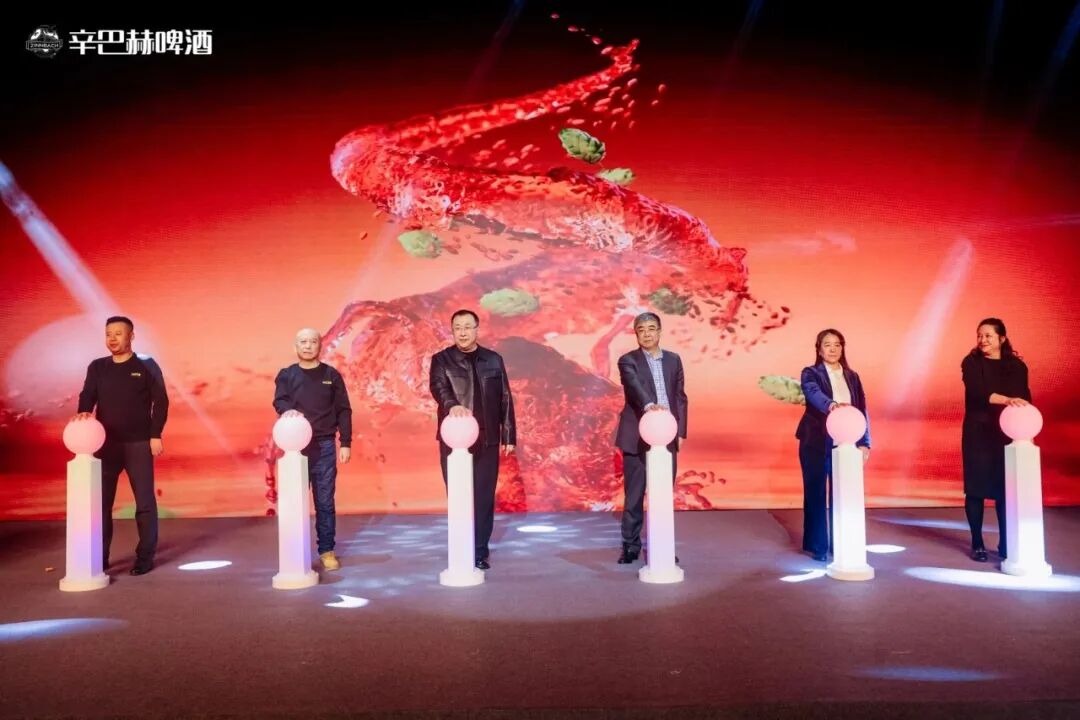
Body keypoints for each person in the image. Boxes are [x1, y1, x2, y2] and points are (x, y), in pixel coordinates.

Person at [74, 315, 169, 576]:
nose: (112, 338)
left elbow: (161, 401)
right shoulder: (97, 367)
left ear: (131, 336)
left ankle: (145, 557)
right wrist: (83, 412)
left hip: (139, 444)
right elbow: (87, 395)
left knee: (145, 503)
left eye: (118, 333)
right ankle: (100, 557)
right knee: (101, 504)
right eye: (108, 334)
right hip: (106, 445)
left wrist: (155, 435)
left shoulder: (146, 365)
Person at [429, 309, 516, 570]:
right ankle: (460, 549)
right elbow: (438, 387)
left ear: (477, 329)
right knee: (458, 497)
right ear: (452, 331)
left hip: (487, 440)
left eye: (468, 327)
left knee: (483, 497)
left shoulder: (493, 359)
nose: (463, 332)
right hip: (455, 441)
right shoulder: (442, 359)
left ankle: (479, 552)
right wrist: (452, 405)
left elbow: (505, 398)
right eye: (458, 327)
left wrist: (509, 434)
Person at [273, 328, 353, 570]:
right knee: (294, 503)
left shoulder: (331, 375)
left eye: (312, 342)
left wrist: (345, 442)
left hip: (325, 446)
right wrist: (287, 410)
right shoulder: (287, 375)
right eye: (303, 342)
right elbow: (280, 400)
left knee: (325, 502)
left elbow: (344, 410)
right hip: (295, 450)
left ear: (320, 345)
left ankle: (326, 550)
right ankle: (294, 552)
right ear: (295, 346)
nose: (307, 346)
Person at [613, 312, 688, 565]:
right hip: (637, 435)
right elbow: (634, 386)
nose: (647, 334)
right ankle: (630, 546)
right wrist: (649, 406)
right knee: (634, 495)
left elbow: (680, 397)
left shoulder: (674, 360)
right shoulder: (627, 360)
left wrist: (680, 431)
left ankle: (662, 545)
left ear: (659, 331)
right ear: (636, 334)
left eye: (651, 328)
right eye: (641, 330)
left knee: (663, 495)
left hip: (666, 436)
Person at [796, 328, 871, 562]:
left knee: (842, 494)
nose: (832, 349)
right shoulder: (810, 373)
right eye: (827, 345)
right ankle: (818, 545)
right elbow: (813, 394)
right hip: (815, 441)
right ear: (819, 349)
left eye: (837, 344)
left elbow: (862, 409)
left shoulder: (852, 376)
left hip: (845, 443)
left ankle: (840, 543)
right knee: (816, 492)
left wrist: (865, 442)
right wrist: (832, 405)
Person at [961, 318, 1031, 562]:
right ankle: (977, 542)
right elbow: (977, 393)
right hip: (977, 432)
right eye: (979, 335)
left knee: (1005, 489)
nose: (982, 340)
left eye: (988, 336)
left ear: (1002, 338)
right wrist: (1006, 400)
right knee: (976, 489)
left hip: (1006, 432)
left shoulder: (1017, 366)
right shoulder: (971, 362)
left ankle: (1005, 542)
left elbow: (1023, 397)